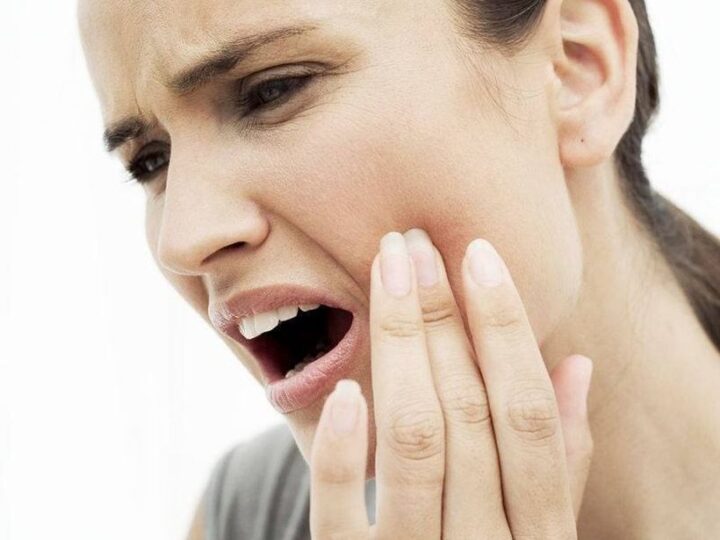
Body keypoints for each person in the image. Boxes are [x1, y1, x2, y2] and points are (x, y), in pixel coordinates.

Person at [78, 0, 720, 537]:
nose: (183, 240)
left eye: (273, 90)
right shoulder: (249, 515)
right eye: (150, 161)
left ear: (577, 66)